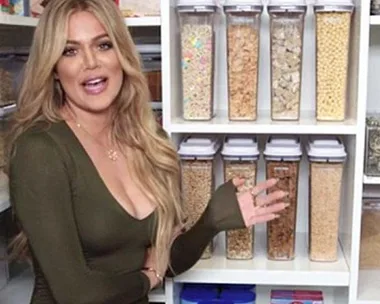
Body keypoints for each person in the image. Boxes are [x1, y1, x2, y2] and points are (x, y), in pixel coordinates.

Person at [7, 0, 288, 303]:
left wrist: (211, 222)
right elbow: (77, 295)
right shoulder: (40, 151)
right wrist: (146, 277)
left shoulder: (148, 139)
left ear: (122, 54)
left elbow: (167, 262)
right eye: (70, 51)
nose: (91, 63)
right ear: (54, 69)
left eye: (103, 45)